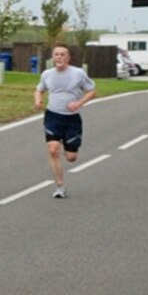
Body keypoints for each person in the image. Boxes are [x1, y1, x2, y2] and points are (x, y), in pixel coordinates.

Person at [33, 44, 97, 199]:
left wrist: (79, 103)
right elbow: (39, 89)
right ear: (53, 57)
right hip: (53, 116)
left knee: (71, 157)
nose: (59, 57)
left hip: (72, 119)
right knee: (53, 149)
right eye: (56, 54)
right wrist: (38, 100)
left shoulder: (78, 73)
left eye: (63, 54)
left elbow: (92, 91)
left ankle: (65, 143)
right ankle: (60, 187)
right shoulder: (47, 74)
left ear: (68, 58)